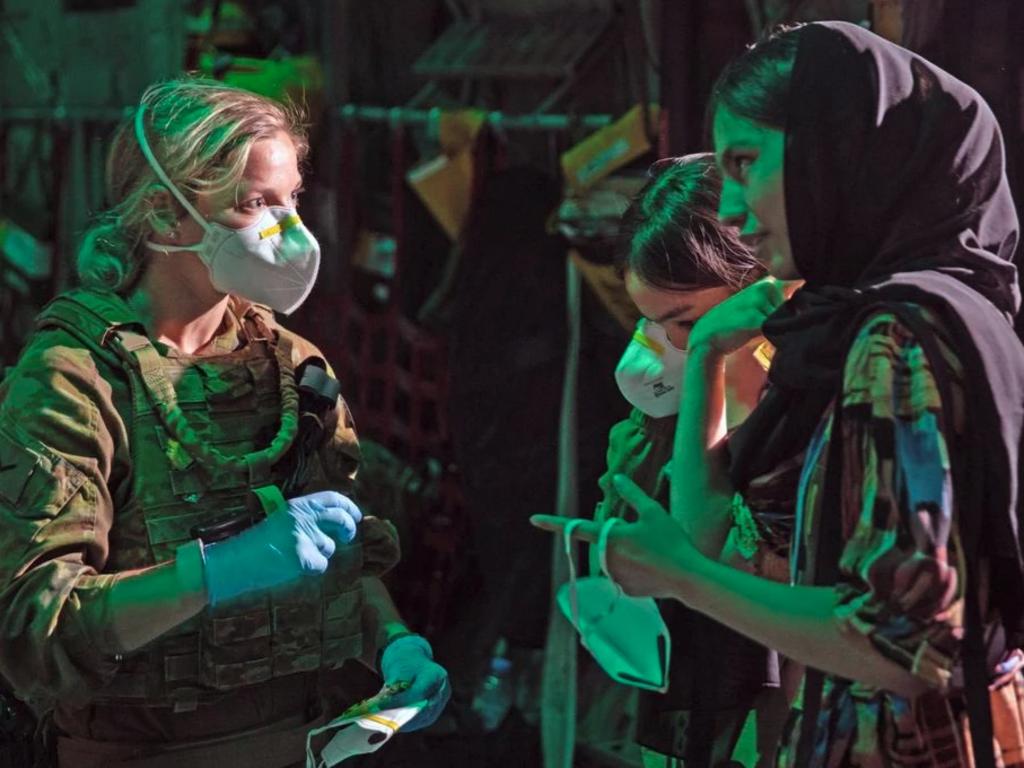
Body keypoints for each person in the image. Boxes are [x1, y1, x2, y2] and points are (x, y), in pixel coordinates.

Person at [536, 21, 1024, 767]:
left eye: (746, 163)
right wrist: (702, 356)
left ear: (835, 151)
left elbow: (906, 641)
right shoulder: (911, 313)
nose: (732, 208)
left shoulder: (896, 337)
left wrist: (685, 577)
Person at [0, 78, 449, 768]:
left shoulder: (294, 367)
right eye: (254, 202)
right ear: (162, 215)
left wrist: (393, 644)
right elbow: (38, 630)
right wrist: (218, 572)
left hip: (304, 742)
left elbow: (338, 554)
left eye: (292, 197)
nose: (289, 227)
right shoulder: (72, 379)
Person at [598, 153, 789, 768]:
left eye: (687, 320)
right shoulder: (663, 420)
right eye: (652, 325)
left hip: (782, 711)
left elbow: (709, 548)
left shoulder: (805, 394)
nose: (671, 346)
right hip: (691, 701)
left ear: (758, 282)